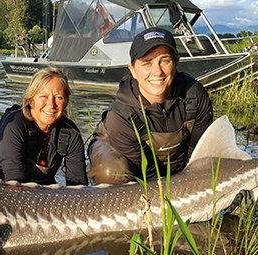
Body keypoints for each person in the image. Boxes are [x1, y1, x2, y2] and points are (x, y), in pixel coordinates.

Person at [88, 27, 214, 184]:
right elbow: (149, 175)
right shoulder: (120, 115)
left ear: (176, 63)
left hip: (170, 161)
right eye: (147, 63)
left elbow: (200, 155)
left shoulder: (195, 94)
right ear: (132, 70)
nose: (157, 72)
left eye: (165, 61)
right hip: (124, 155)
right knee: (111, 172)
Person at [0, 67, 87, 186]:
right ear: (30, 100)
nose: (51, 105)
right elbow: (14, 181)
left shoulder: (71, 133)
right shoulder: (14, 123)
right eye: (43, 96)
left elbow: (78, 185)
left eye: (59, 97)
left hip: (34, 189)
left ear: (66, 102)